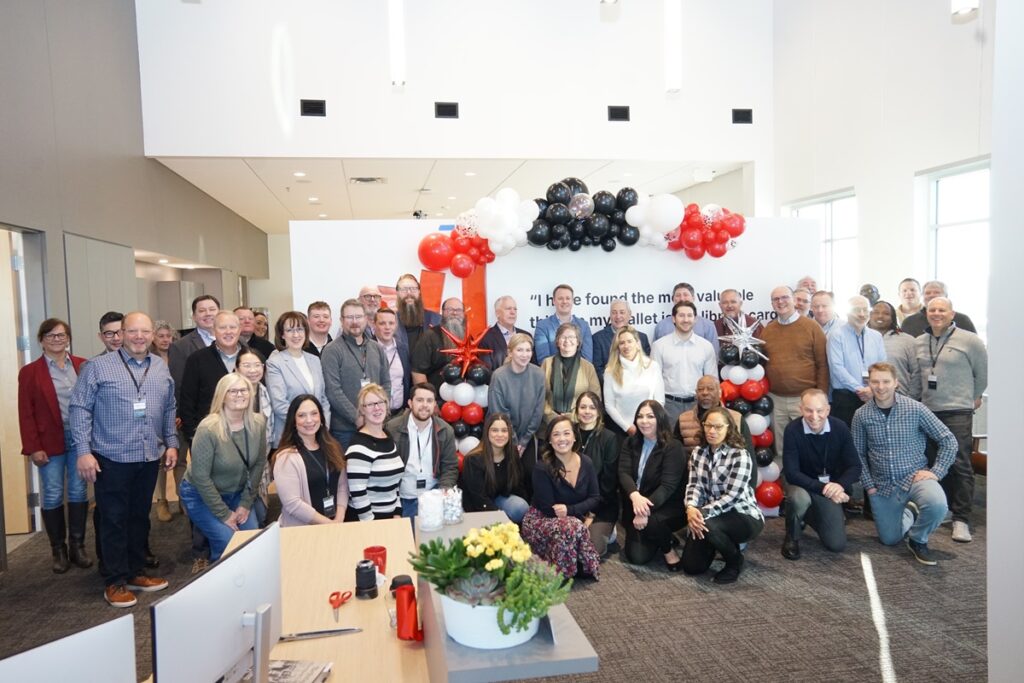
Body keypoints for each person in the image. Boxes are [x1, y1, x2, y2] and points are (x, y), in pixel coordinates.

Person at [71, 312, 176, 607]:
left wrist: (171, 443)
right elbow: (79, 410)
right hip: (111, 457)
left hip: (147, 455)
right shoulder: (97, 368)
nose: (139, 337)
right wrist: (83, 451)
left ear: (152, 334)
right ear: (122, 334)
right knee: (113, 519)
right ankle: (114, 581)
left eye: (145, 331)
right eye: (133, 331)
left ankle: (134, 571)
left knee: (139, 517)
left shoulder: (159, 367)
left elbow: (169, 408)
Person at [852, 363, 957, 565]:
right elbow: (857, 454)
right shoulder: (861, 415)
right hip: (883, 487)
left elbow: (948, 440)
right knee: (889, 540)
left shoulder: (915, 409)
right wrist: (870, 487)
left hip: (915, 477)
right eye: (875, 382)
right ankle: (910, 511)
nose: (880, 387)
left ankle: (918, 539)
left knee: (938, 505)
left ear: (896, 383)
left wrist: (936, 472)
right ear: (869, 383)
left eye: (886, 381)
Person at [18, 318, 90, 573]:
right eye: (51, 336)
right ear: (41, 341)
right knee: (52, 492)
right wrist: (33, 446)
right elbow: (25, 413)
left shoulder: (83, 365)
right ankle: (57, 550)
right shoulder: (30, 372)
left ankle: (77, 547)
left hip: (80, 438)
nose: (57, 340)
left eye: (61, 335)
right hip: (48, 442)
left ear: (68, 338)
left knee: (79, 492)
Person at [915, 297, 987, 543]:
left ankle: (962, 519)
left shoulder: (970, 340)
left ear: (951, 313)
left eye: (941, 310)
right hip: (928, 410)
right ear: (927, 313)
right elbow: (917, 377)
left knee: (960, 463)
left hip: (957, 411)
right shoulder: (919, 342)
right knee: (935, 462)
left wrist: (973, 397)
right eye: (932, 310)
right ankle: (944, 509)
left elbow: (983, 374)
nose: (936, 313)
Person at [178, 374, 267, 562]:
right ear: (222, 395)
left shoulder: (258, 423)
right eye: (232, 391)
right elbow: (201, 478)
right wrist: (224, 514)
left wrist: (245, 503)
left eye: (243, 390)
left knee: (251, 540)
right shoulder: (209, 428)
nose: (239, 394)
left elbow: (259, 464)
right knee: (227, 542)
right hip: (200, 495)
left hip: (236, 493)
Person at [681, 407, 764, 584]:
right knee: (691, 566)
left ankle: (735, 562)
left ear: (729, 428)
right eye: (708, 425)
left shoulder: (740, 455)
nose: (712, 431)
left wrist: (701, 513)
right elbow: (694, 484)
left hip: (743, 515)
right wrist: (690, 508)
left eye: (718, 427)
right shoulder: (698, 453)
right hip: (711, 516)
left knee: (708, 525)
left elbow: (732, 496)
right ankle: (717, 542)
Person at [780, 389, 862, 560]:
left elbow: (855, 466)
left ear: (828, 410)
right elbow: (792, 473)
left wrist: (839, 486)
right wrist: (825, 488)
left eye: (819, 410)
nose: (814, 416)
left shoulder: (840, 428)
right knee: (799, 499)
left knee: (836, 545)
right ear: (801, 409)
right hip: (801, 484)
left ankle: (806, 515)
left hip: (829, 486)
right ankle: (792, 536)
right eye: (809, 410)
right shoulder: (792, 430)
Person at [520, 416, 601, 579]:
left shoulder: (586, 462)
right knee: (571, 528)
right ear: (549, 440)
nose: (562, 439)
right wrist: (578, 520)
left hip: (573, 518)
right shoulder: (542, 467)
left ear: (574, 436)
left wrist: (573, 511)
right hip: (541, 520)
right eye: (556, 435)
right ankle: (565, 573)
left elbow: (595, 497)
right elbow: (549, 510)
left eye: (566, 433)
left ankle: (569, 563)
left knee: (576, 528)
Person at [760, 286, 829, 452]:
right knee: (781, 448)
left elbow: (822, 364)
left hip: (805, 399)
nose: (780, 302)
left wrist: (820, 397)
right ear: (772, 304)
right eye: (775, 299)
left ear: (793, 300)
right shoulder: (767, 331)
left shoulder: (812, 327)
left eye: (784, 297)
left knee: (809, 446)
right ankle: (786, 478)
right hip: (775, 399)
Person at [618, 400, 686, 568]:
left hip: (667, 505)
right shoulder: (630, 442)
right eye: (640, 417)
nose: (644, 421)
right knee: (637, 557)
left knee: (653, 524)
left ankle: (668, 549)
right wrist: (635, 497)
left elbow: (667, 487)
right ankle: (663, 535)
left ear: (660, 419)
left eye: (650, 416)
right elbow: (623, 473)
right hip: (637, 504)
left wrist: (644, 511)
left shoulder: (673, 446)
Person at [321, 299, 391, 448]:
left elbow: (386, 383)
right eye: (349, 317)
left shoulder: (376, 348)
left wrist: (380, 412)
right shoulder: (332, 350)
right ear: (341, 320)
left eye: (358, 317)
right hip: (345, 430)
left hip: (376, 426)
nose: (355, 322)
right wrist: (357, 417)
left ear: (366, 319)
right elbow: (333, 390)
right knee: (349, 471)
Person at [384, 382, 459, 518]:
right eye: (419, 400)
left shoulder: (445, 431)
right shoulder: (392, 428)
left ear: (435, 405)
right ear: (410, 403)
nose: (425, 405)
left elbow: (450, 468)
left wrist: (443, 495)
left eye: (429, 401)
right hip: (403, 498)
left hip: (434, 495)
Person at [272, 395, 348, 527]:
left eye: (314, 414)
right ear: (293, 421)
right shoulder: (286, 458)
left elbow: (342, 485)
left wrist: (339, 519)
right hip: (303, 532)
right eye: (302, 415)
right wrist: (329, 524)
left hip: (336, 525)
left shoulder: (333, 447)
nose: (309, 420)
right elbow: (293, 504)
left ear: (321, 417)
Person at [180, 311, 248, 442]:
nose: (228, 332)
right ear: (214, 330)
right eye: (222, 327)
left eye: (233, 327)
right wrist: (194, 437)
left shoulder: (252, 359)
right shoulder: (197, 360)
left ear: (239, 330)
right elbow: (187, 403)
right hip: (209, 436)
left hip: (246, 434)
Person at [265, 311, 331, 446]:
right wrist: (307, 424)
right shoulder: (274, 362)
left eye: (300, 329)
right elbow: (279, 404)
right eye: (290, 330)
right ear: (282, 334)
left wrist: (322, 425)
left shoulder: (314, 360)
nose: (296, 335)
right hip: (290, 436)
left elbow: (323, 398)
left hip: (317, 436)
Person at [489, 333, 546, 478]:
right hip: (503, 435)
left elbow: (538, 410)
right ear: (510, 352)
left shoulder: (538, 374)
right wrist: (514, 441)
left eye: (528, 350)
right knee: (505, 475)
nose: (524, 355)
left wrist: (524, 441)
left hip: (528, 436)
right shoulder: (499, 376)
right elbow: (499, 412)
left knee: (530, 474)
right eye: (520, 350)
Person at [651, 301, 717, 426]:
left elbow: (712, 380)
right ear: (674, 319)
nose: (686, 319)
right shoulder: (659, 346)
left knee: (698, 443)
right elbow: (654, 380)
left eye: (689, 315)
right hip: (669, 406)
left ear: (695, 319)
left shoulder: (706, 346)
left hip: (698, 404)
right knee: (670, 444)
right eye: (681, 315)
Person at [345, 384, 404, 521]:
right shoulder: (358, 447)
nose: (376, 408)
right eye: (370, 404)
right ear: (362, 410)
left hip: (391, 517)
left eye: (380, 402)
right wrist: (372, 525)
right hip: (368, 521)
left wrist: (397, 512)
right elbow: (358, 493)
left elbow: (394, 483)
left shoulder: (387, 437)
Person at [827, 295, 887, 426]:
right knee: (847, 439)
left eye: (865, 310)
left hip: (873, 395)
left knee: (871, 438)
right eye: (856, 310)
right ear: (847, 312)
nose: (862, 314)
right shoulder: (836, 335)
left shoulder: (876, 336)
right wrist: (860, 389)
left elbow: (882, 367)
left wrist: (872, 388)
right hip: (845, 398)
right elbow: (837, 368)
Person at [459, 413, 530, 523]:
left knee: (520, 507)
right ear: (487, 432)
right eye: (495, 430)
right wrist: (501, 519)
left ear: (509, 433)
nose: (500, 434)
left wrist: (528, 514)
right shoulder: (473, 460)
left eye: (504, 430)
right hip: (475, 506)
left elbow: (518, 486)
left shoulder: (512, 454)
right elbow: (478, 498)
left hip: (498, 499)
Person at [574, 392, 620, 558]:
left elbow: (608, 484)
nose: (587, 411)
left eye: (592, 407)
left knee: (589, 551)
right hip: (574, 503)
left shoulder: (609, 438)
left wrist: (591, 515)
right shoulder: (569, 434)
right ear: (577, 410)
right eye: (583, 407)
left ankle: (608, 530)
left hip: (601, 506)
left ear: (599, 411)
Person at [603, 326, 665, 435]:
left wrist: (649, 423)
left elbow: (659, 400)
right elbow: (609, 405)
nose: (626, 346)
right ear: (617, 347)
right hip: (622, 431)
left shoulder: (652, 366)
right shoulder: (610, 371)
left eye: (629, 341)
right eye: (621, 343)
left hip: (649, 428)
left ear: (637, 344)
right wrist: (627, 427)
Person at [235, 349, 273, 524]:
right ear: (236, 368)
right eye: (247, 365)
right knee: (246, 517)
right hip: (238, 467)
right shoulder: (233, 394)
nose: (253, 370)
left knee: (261, 514)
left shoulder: (264, 391)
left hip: (261, 461)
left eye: (257, 365)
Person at [676, 375, 755, 457]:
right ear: (696, 394)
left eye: (710, 389)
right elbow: (675, 454)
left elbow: (749, 453)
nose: (705, 392)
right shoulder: (683, 419)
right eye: (700, 389)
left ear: (720, 392)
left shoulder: (736, 418)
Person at [540, 322, 601, 425]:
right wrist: (552, 417)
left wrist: (572, 417)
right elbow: (539, 396)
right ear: (557, 341)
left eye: (572, 337)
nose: (567, 341)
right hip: (549, 425)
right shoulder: (547, 363)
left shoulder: (588, 367)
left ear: (578, 342)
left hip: (579, 425)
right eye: (563, 337)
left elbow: (595, 398)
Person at [150, 321, 179, 523]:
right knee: (160, 461)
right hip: (157, 416)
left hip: (179, 415)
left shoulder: (178, 356)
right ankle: (162, 500)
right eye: (161, 336)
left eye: (168, 336)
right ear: (153, 337)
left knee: (180, 459)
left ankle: (182, 498)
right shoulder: (149, 359)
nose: (165, 339)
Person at [868, 300, 920, 399]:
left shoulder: (907, 340)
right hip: (867, 399)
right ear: (869, 315)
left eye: (886, 313)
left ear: (893, 318)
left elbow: (917, 373)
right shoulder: (859, 339)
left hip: (901, 399)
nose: (880, 316)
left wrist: (910, 399)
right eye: (876, 312)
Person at [411, 297, 465, 391]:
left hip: (463, 398)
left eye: (459, 310)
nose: (455, 313)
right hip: (437, 399)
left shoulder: (467, 338)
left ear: (463, 314)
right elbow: (418, 372)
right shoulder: (429, 337)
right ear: (442, 312)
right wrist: (428, 399)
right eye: (450, 309)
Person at [592, 299, 651, 384]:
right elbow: (597, 370)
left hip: (639, 390)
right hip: (612, 389)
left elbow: (646, 366)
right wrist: (618, 384)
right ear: (610, 315)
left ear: (629, 315)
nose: (618, 316)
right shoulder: (597, 338)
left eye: (622, 312)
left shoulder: (642, 338)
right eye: (614, 312)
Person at [652, 283, 720, 354]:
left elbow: (713, 355)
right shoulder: (661, 326)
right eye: (678, 295)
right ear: (673, 299)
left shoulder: (707, 325)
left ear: (693, 298)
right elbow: (655, 356)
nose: (682, 298)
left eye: (685, 295)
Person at [533, 284, 594, 363]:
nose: (564, 301)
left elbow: (587, 359)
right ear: (554, 301)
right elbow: (543, 360)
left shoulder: (584, 326)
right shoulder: (542, 326)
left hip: (579, 374)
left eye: (568, 298)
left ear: (573, 301)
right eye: (560, 298)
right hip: (552, 374)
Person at [900, 280, 977, 337]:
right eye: (927, 293)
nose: (932, 295)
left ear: (946, 296)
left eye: (936, 292)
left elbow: (975, 348)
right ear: (922, 297)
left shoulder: (962, 320)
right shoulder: (909, 322)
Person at [478, 295, 533, 370]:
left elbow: (533, 366)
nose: (513, 312)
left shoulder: (526, 335)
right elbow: (486, 371)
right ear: (497, 313)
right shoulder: (485, 337)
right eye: (508, 309)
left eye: (515, 309)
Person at [373, 307, 411, 411]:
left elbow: (408, 380)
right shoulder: (366, 349)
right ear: (374, 325)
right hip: (375, 413)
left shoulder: (403, 349)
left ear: (396, 325)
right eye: (382, 323)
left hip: (400, 412)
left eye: (391, 323)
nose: (387, 327)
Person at [394, 273, 441, 352]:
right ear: (397, 293)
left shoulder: (437, 320)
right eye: (404, 289)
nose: (409, 293)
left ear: (419, 291)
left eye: (413, 289)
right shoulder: (390, 321)